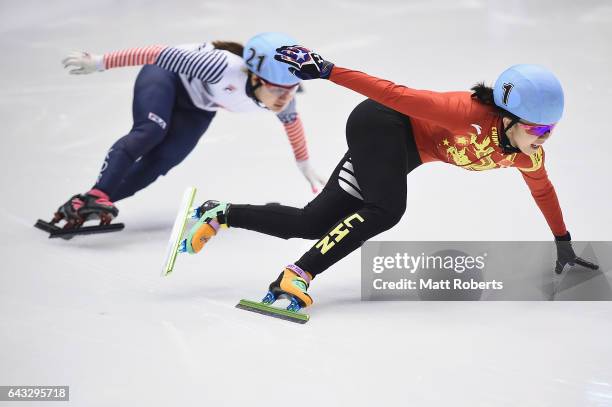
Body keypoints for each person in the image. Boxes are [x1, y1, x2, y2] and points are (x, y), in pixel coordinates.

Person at [183, 45, 597, 311]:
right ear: (508, 118)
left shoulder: (527, 156)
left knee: (307, 223)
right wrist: (327, 70)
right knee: (386, 210)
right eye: (538, 129)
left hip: (399, 156)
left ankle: (219, 213)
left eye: (551, 130)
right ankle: (298, 275)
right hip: (380, 124)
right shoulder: (463, 112)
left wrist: (563, 243)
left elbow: (544, 191)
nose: (544, 139)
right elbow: (393, 94)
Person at [49, 33, 325, 229]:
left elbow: (292, 125)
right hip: (164, 77)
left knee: (164, 159)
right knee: (150, 132)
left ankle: (93, 202)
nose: (284, 98)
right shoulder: (221, 66)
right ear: (254, 77)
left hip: (199, 105)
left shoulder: (283, 96)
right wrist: (99, 62)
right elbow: (156, 54)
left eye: (291, 91)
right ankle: (98, 193)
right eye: (277, 90)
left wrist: (304, 164)